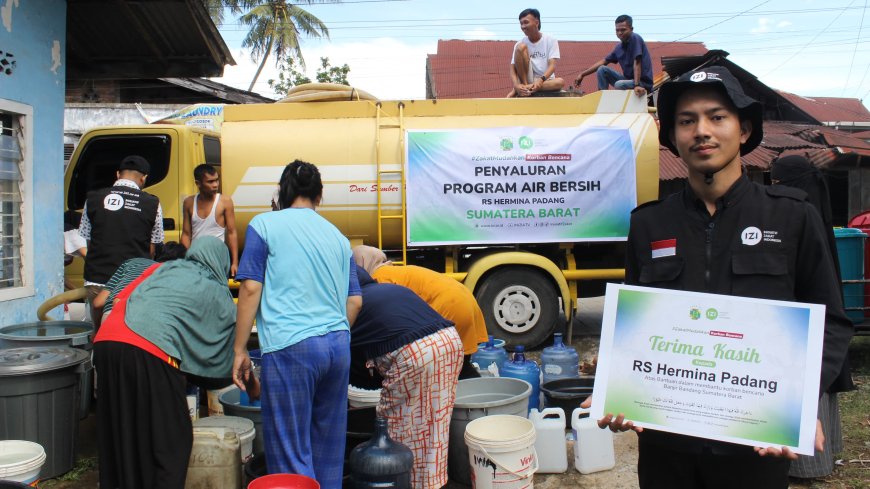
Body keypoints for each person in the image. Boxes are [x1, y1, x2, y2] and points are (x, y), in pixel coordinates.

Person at [594, 66, 854, 488]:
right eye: (686, 121)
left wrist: (801, 403)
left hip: (754, 446)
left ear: (744, 129)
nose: (702, 131)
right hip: (666, 450)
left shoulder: (792, 217)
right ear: (672, 136)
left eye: (717, 117)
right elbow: (634, 329)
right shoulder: (648, 224)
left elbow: (833, 323)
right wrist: (618, 387)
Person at [232, 160, 362, 488]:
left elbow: (250, 287)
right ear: (319, 195)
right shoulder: (339, 238)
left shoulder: (264, 225)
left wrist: (239, 349)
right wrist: (331, 335)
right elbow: (355, 301)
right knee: (328, 447)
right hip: (337, 346)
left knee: (290, 452)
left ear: (283, 191)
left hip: (291, 346)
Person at [93, 237, 239, 489]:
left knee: (122, 434)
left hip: (106, 341)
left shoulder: (162, 268)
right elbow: (220, 358)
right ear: (220, 263)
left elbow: (114, 300)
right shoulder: (214, 289)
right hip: (148, 348)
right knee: (170, 440)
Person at [770, 154, 855, 479]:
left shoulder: (801, 217)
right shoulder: (811, 212)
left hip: (803, 321)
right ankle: (822, 456)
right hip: (808, 317)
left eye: (778, 182)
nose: (774, 188)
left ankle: (808, 465)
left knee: (806, 382)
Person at [350, 266, 463, 489]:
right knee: (435, 424)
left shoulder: (353, 305)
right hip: (450, 342)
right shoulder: (390, 289)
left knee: (396, 430)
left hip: (415, 353)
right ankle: (431, 482)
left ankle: (404, 483)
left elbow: (350, 363)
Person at [353, 245, 488, 379]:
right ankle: (477, 388)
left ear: (361, 263)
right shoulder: (398, 271)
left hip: (448, 306)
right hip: (466, 300)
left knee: (443, 368)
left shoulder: (379, 278)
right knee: (459, 365)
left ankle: (471, 389)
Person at [79, 155, 163, 320]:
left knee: (98, 330)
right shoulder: (153, 204)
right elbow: (152, 248)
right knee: (128, 327)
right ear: (144, 178)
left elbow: (89, 240)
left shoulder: (93, 198)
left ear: (118, 174)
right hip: (132, 283)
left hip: (97, 280)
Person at [91, 242, 187, 327]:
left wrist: (96, 332)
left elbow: (97, 303)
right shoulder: (171, 275)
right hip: (140, 323)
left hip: (109, 319)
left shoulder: (131, 263)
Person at [181, 163, 239, 277]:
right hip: (195, 259)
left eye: (217, 180)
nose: (215, 185)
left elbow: (232, 232)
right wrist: (184, 260)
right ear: (198, 183)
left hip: (217, 259)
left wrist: (235, 262)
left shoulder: (225, 201)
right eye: (210, 181)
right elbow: (186, 234)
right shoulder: (189, 202)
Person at [574, 14, 652, 98]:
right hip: (628, 81)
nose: (620, 33)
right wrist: (582, 74)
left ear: (631, 29)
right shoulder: (619, 47)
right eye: (617, 30)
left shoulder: (635, 38)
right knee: (602, 69)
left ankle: (625, 94)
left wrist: (636, 85)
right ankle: (602, 98)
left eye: (623, 30)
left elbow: (637, 62)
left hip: (642, 83)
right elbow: (604, 61)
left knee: (619, 84)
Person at [508, 8, 564, 97]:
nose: (523, 26)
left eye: (526, 22)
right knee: (520, 47)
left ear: (536, 22)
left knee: (560, 82)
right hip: (528, 79)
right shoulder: (519, 43)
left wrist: (541, 80)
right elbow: (512, 69)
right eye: (521, 23)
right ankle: (525, 86)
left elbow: (552, 66)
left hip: (545, 80)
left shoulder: (550, 40)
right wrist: (516, 85)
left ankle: (525, 89)